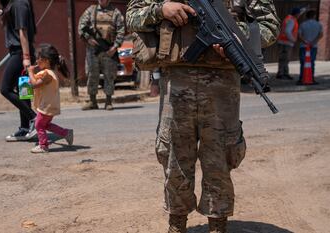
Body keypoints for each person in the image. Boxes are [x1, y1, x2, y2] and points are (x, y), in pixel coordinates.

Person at [126, 0, 280, 232]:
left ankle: (218, 226)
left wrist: (234, 37)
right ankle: (176, 226)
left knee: (219, 160)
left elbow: (269, 26)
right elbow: (131, 16)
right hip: (176, 83)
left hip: (223, 87)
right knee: (174, 159)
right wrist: (161, 10)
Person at [0, 0, 37, 141]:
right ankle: (25, 128)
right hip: (18, 52)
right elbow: (11, 27)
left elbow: (23, 31)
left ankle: (34, 118)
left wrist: (26, 57)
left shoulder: (19, 3)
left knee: (5, 88)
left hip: (20, 53)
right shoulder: (13, 4)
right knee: (24, 92)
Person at [78, 0, 125, 111]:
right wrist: (88, 38)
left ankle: (108, 101)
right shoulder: (91, 10)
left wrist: (115, 47)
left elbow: (121, 31)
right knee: (92, 74)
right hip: (93, 49)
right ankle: (92, 101)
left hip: (108, 50)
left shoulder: (116, 12)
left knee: (109, 75)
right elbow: (81, 26)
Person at [27, 44, 73, 153]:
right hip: (49, 105)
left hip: (47, 106)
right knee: (45, 125)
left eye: (39, 59)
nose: (37, 61)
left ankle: (43, 146)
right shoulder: (48, 73)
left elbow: (34, 84)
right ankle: (66, 133)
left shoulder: (47, 75)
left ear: (46, 61)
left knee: (38, 125)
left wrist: (30, 72)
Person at [297, 10, 323, 85]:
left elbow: (299, 35)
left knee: (303, 62)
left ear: (307, 16)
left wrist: (305, 41)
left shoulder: (303, 24)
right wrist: (313, 42)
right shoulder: (318, 24)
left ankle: (301, 78)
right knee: (311, 62)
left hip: (303, 46)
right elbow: (321, 35)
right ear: (314, 16)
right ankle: (311, 78)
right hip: (313, 46)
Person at [276, 8, 302, 80]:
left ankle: (281, 73)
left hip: (282, 41)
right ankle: (284, 73)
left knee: (282, 58)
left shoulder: (288, 18)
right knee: (285, 59)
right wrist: (293, 39)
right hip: (286, 42)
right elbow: (287, 31)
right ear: (297, 14)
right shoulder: (292, 20)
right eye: (299, 13)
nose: (299, 15)